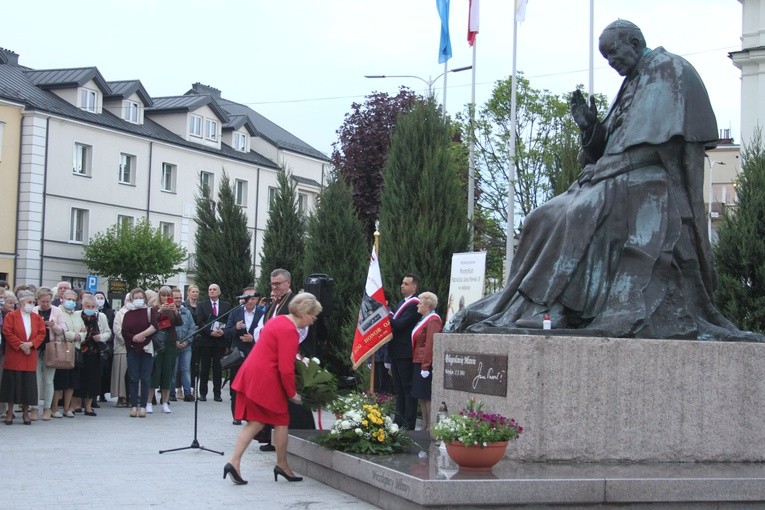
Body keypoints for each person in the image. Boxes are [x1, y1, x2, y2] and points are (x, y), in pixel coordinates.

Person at [450, 20, 759, 342]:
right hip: (611, 177)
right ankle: (532, 307)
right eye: (607, 57)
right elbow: (606, 148)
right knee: (541, 216)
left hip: (647, 180)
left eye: (613, 53)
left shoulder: (669, 70)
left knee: (579, 212)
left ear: (635, 42)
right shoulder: (631, 82)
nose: (612, 62)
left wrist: (607, 170)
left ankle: (557, 307)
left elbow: (655, 145)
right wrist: (589, 127)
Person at [224, 292, 321, 485]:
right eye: (313, 315)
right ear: (303, 313)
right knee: (277, 420)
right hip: (265, 379)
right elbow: (285, 368)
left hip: (254, 375)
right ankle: (279, 465)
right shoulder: (289, 330)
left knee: (259, 422)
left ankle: (237, 462)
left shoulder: (278, 321)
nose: (314, 320)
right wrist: (292, 393)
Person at [1, 290, 46, 424]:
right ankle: (9, 412)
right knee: (11, 386)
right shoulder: (11, 316)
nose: (31, 305)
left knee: (28, 386)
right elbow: (7, 331)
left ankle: (26, 412)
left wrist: (31, 344)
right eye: (29, 302)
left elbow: (41, 333)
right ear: (21, 302)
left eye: (33, 302)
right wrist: (21, 345)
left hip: (29, 356)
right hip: (15, 355)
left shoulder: (36, 318)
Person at [386, 274, 421, 430]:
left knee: (407, 389)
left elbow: (400, 325)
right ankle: (398, 419)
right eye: (402, 283)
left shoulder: (415, 304)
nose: (402, 286)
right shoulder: (401, 302)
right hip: (395, 350)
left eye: (406, 283)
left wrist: (387, 315)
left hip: (405, 351)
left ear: (414, 287)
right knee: (398, 389)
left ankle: (409, 422)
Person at [224, 287, 263, 425]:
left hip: (254, 354)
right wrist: (236, 328)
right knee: (236, 385)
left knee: (253, 387)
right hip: (237, 355)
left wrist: (253, 339)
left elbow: (266, 334)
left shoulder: (262, 313)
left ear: (257, 299)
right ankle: (236, 415)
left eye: (252, 298)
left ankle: (252, 415)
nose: (249, 301)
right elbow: (226, 332)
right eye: (247, 298)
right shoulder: (235, 313)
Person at [121, 288, 158, 418]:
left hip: (147, 348)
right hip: (132, 348)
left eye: (140, 297)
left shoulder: (149, 311)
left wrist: (141, 336)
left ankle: (143, 406)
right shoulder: (128, 314)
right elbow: (124, 331)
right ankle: (133, 406)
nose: (138, 300)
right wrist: (134, 338)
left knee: (146, 378)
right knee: (133, 378)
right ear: (131, 299)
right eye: (135, 297)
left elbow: (154, 326)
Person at [410, 292, 442, 432]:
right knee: (420, 395)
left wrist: (425, 365)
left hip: (425, 363)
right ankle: (424, 423)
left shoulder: (433, 320)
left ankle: (430, 425)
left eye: (420, 303)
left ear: (428, 306)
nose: (417, 305)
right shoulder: (424, 319)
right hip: (418, 360)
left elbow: (430, 343)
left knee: (427, 395)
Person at [33, 287, 66, 421]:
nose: (45, 304)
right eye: (43, 301)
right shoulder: (34, 310)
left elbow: (63, 330)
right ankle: (34, 407)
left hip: (51, 347)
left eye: (47, 301)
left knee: (48, 380)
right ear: (38, 300)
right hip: (35, 348)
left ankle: (47, 408)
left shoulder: (57, 311)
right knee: (35, 379)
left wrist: (53, 326)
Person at [51, 289, 85, 418]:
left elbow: (84, 330)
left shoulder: (77, 315)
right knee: (60, 380)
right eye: (68, 299)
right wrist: (73, 335)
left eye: (73, 300)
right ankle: (54, 408)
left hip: (75, 349)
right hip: (62, 349)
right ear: (62, 299)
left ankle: (67, 408)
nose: (71, 302)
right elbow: (60, 330)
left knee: (72, 381)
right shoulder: (57, 312)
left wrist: (80, 335)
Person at [195, 284, 231, 402]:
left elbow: (228, 322)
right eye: (210, 289)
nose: (212, 291)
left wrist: (223, 333)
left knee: (217, 368)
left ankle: (217, 394)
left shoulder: (226, 306)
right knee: (204, 368)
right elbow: (200, 322)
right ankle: (203, 393)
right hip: (206, 341)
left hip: (220, 342)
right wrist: (210, 332)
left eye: (214, 289)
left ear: (219, 292)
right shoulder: (202, 305)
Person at [77, 294, 111, 416]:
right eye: (88, 306)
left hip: (95, 351)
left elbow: (108, 332)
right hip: (80, 351)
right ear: (82, 305)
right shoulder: (77, 315)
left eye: (93, 306)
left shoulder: (100, 316)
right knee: (79, 378)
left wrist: (101, 337)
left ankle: (88, 406)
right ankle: (75, 405)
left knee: (93, 380)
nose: (90, 308)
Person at [150, 286, 182, 414]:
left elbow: (179, 323)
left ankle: (165, 402)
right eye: (163, 295)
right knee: (155, 372)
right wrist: (159, 311)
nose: (165, 298)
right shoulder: (154, 308)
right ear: (159, 296)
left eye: (168, 295)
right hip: (157, 343)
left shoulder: (173, 308)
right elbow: (152, 323)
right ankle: (148, 402)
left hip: (170, 342)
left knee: (168, 372)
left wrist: (175, 311)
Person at [172, 288, 195, 403]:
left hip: (186, 346)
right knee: (173, 371)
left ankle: (187, 393)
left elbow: (192, 328)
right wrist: (175, 342)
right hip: (173, 346)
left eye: (180, 298)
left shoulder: (187, 312)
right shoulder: (168, 312)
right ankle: (171, 393)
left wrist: (186, 342)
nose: (178, 300)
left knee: (185, 370)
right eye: (176, 298)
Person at [111, 292, 132, 408]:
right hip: (122, 346)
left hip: (135, 346)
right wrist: (128, 340)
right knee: (121, 372)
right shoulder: (120, 313)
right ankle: (121, 396)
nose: (129, 302)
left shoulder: (138, 313)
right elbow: (117, 329)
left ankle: (132, 396)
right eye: (128, 300)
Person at [94, 290, 115, 404]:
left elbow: (112, 330)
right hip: (94, 344)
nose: (99, 300)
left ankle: (102, 393)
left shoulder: (110, 312)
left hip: (106, 345)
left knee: (105, 370)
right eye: (97, 298)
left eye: (101, 298)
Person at [183, 284, 200, 400]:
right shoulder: (184, 306)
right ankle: (180, 388)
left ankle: (194, 388)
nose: (195, 294)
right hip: (186, 338)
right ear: (188, 293)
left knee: (195, 364)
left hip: (198, 337)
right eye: (193, 291)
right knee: (183, 365)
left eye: (197, 292)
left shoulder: (201, 306)